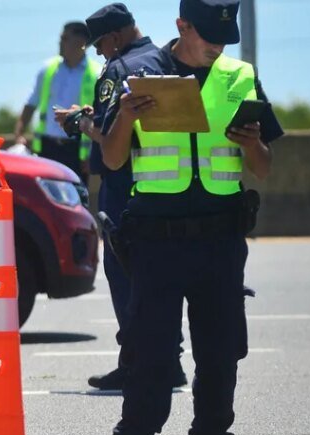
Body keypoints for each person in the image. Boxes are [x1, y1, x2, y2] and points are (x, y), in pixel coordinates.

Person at [89, 0, 283, 435]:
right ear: (182, 26)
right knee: (149, 362)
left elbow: (264, 167)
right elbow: (112, 159)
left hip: (220, 245)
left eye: (225, 38)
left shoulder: (240, 77)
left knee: (219, 361)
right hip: (157, 243)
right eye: (209, 37)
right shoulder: (137, 74)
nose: (218, 47)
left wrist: (252, 145)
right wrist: (125, 116)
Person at [56, 4, 188, 391]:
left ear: (115, 37)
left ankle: (134, 363)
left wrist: (80, 123)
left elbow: (112, 133)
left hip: (122, 189)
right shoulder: (165, 59)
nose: (98, 53)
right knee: (160, 278)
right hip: (163, 185)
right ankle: (169, 361)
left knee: (125, 276)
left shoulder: (118, 68)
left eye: (99, 45)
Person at [14, 22, 104, 179]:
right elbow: (31, 103)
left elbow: (100, 116)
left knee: (75, 192)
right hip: (46, 147)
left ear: (82, 42)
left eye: (65, 38)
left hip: (77, 151)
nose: (60, 42)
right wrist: (19, 133)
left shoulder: (96, 74)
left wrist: (94, 153)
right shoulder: (47, 69)